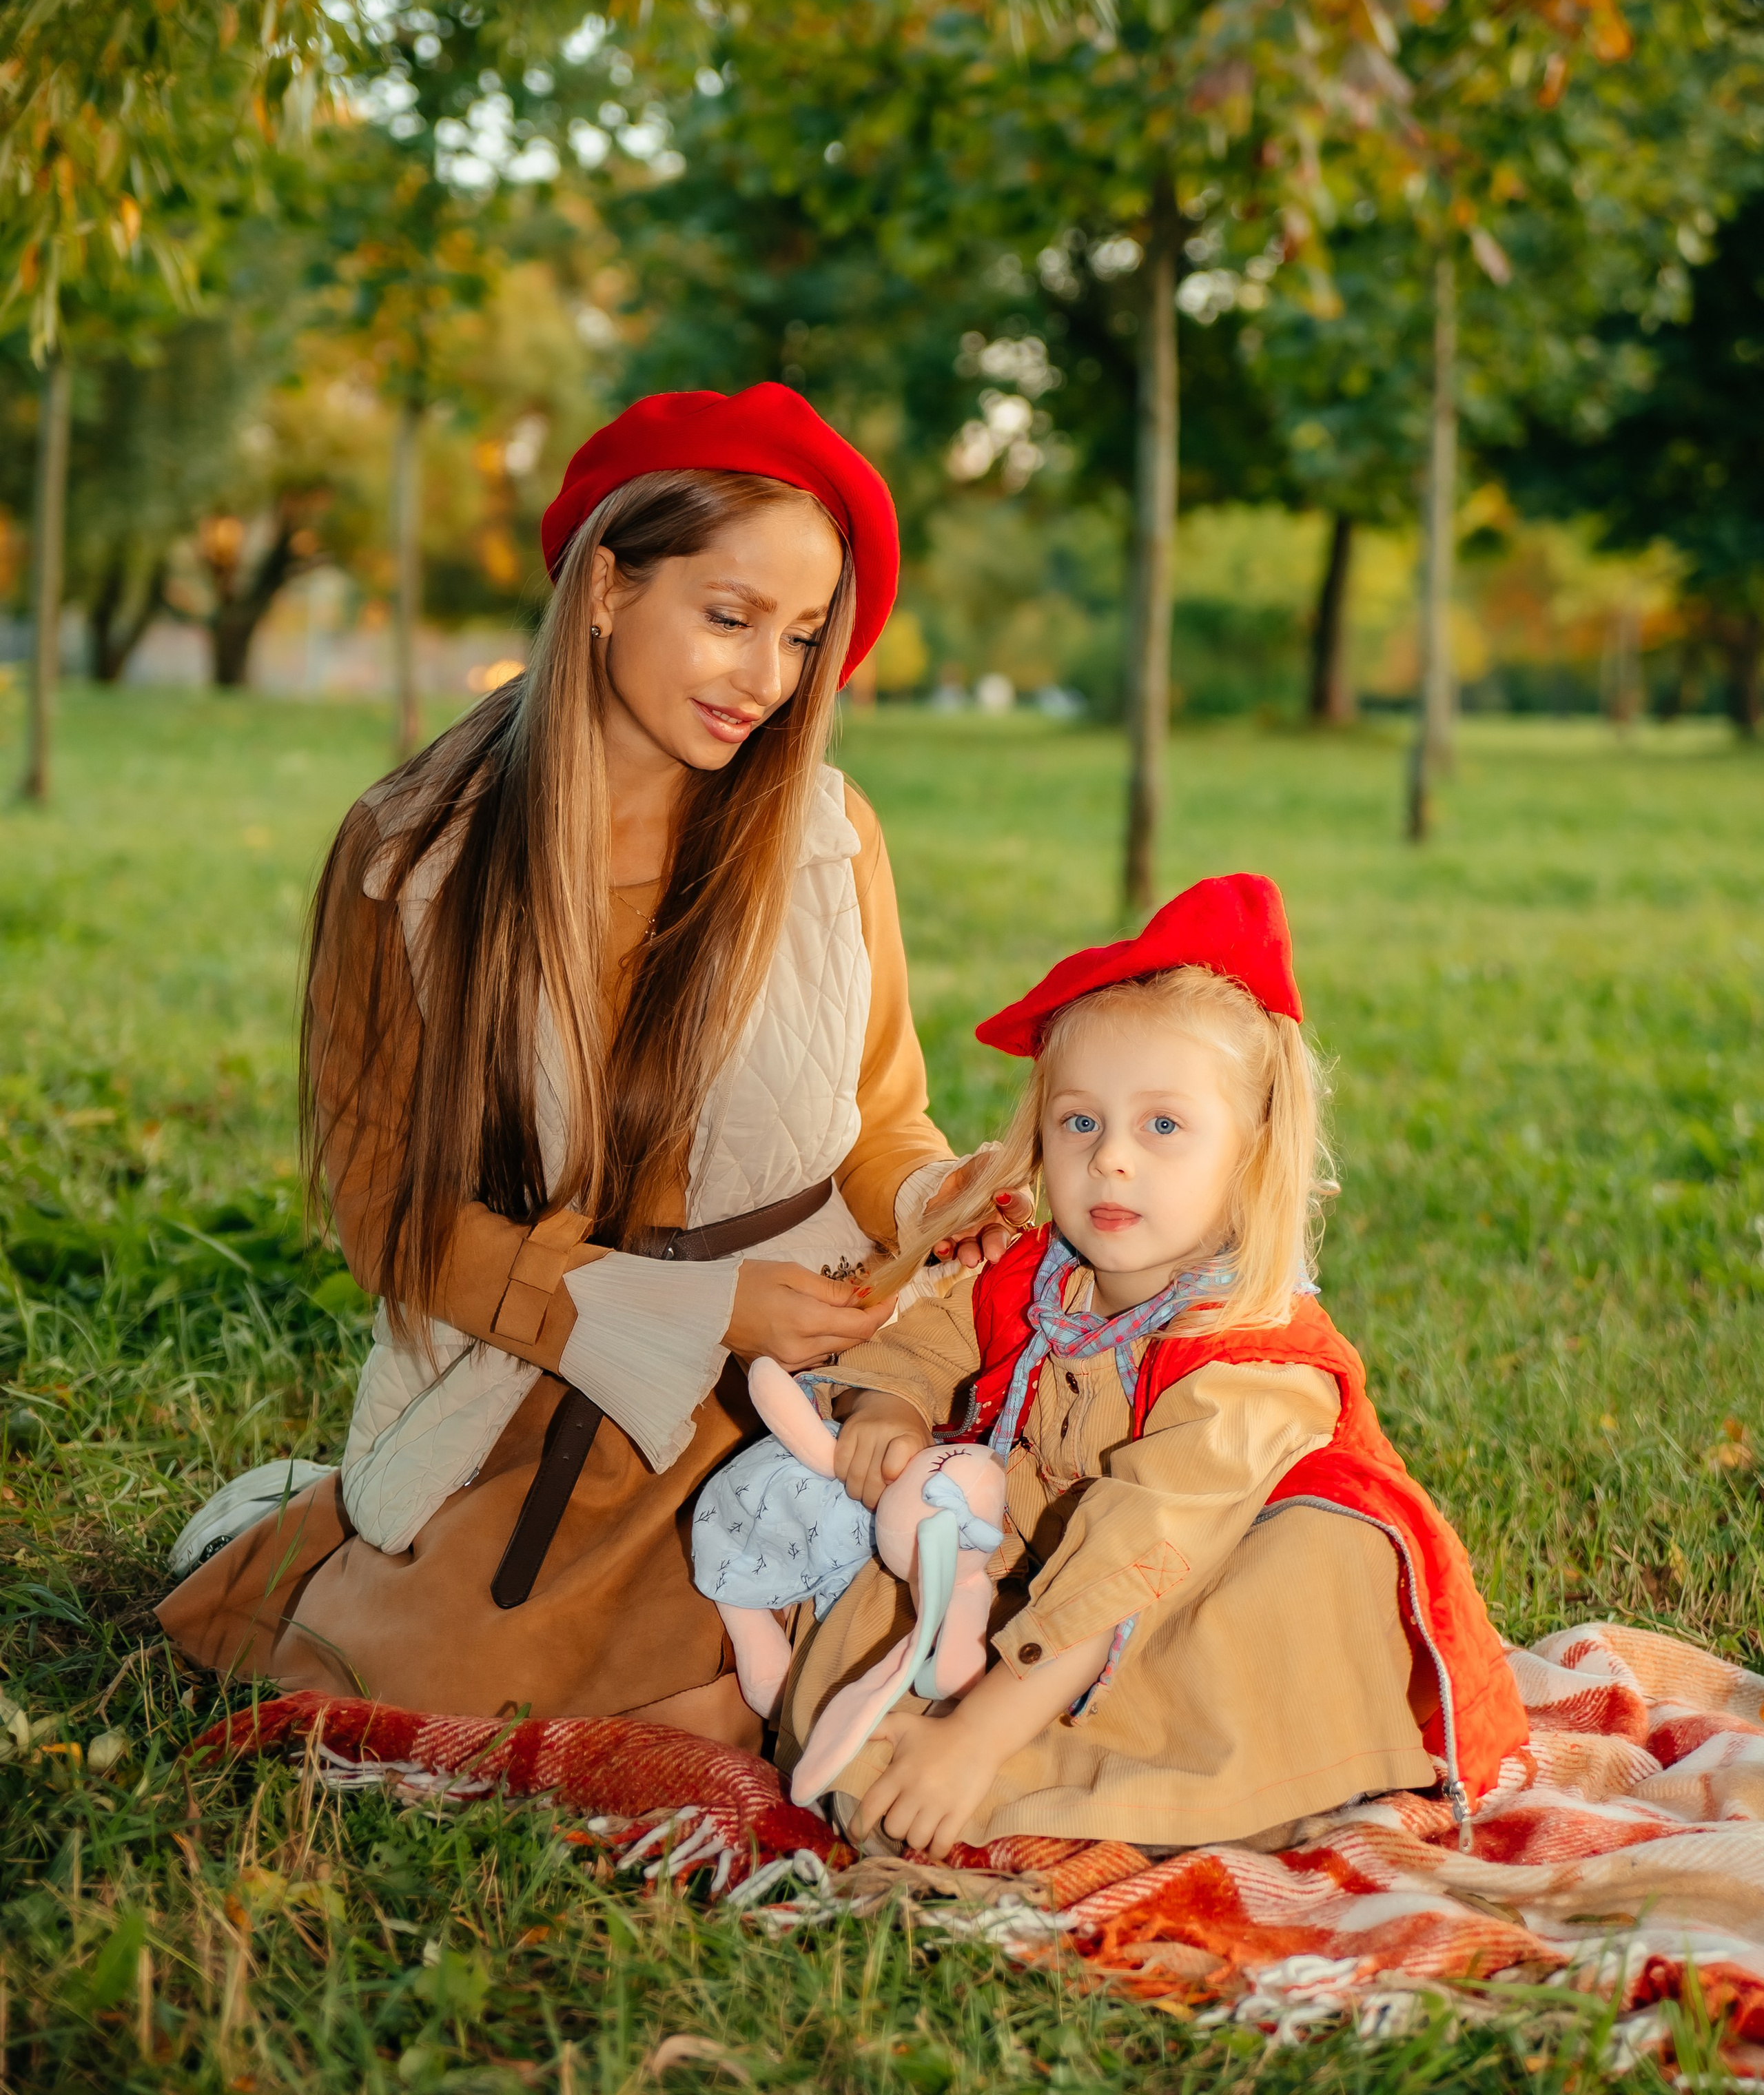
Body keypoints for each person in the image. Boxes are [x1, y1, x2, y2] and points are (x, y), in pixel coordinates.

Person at [158, 385, 1007, 1744]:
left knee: (979, 1623)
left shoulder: (830, 834)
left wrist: (930, 1201)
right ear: (605, 586)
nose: (768, 680)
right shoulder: (412, 863)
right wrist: (702, 1312)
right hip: (557, 1369)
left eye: (800, 638)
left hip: (822, 1376)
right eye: (728, 619)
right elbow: (396, 1225)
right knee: (531, 1693)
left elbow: (879, 1118)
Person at [776, 873, 1530, 1857]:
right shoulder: (1044, 1274)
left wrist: (979, 1733)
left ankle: (1076, 1783)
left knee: (1313, 1569)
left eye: (1163, 1127)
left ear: (1252, 1155)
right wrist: (892, 1403)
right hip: (1052, 1597)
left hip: (1189, 1599)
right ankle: (981, 1755)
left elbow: (1139, 1549)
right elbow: (933, 1333)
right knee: (897, 1561)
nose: (1112, 1161)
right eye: (1080, 1123)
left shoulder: (1257, 1359)